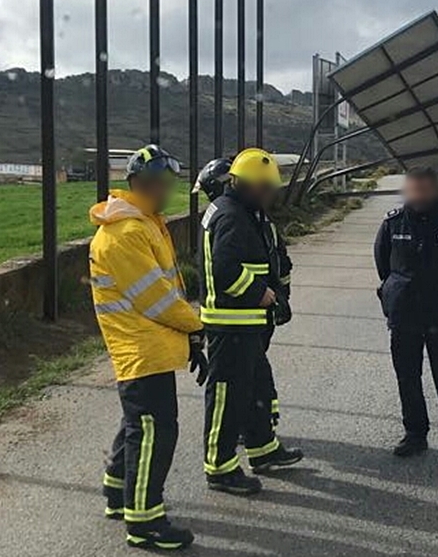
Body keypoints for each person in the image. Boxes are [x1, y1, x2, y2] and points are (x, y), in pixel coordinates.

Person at [90, 144, 207, 551]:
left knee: (138, 423)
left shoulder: (145, 222)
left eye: (171, 182)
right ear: (140, 183)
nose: (168, 190)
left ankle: (117, 490)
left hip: (145, 344)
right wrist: (196, 326)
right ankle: (145, 521)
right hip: (140, 346)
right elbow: (155, 298)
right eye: (162, 183)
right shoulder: (127, 232)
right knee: (155, 432)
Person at [199, 148, 303, 496]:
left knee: (256, 387)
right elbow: (226, 270)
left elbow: (271, 259)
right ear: (245, 184)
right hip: (231, 324)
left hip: (249, 324)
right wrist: (262, 293)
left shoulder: (246, 212)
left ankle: (262, 447)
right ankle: (220, 467)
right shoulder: (231, 216)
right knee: (227, 396)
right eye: (265, 188)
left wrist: (276, 296)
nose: (270, 195)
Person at [373, 166, 438, 471]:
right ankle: (415, 434)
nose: (418, 194)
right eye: (413, 188)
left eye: (424, 188)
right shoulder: (393, 222)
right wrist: (396, 289)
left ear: (434, 190)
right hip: (404, 314)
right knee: (408, 377)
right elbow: (382, 261)